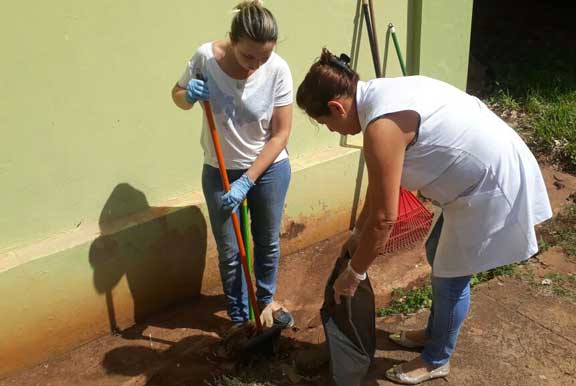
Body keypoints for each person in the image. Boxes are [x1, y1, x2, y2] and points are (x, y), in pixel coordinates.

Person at [296, 49, 552, 384]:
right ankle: (436, 330)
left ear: (336, 107)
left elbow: (385, 219)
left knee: (450, 277)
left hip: (490, 182)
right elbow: (380, 189)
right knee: (436, 250)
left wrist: (355, 273)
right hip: (480, 172)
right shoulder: (380, 95)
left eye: (325, 124)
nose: (332, 131)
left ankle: (437, 359)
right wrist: (357, 233)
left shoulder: (380, 127)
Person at [171, 0, 294, 334]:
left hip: (267, 169)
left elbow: (280, 134)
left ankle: (266, 303)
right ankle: (240, 320)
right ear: (231, 40)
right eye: (247, 56)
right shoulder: (205, 59)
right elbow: (178, 94)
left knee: (266, 241)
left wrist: (247, 181)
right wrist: (189, 94)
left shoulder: (278, 69)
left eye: (263, 57)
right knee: (229, 251)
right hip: (219, 169)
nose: (255, 65)